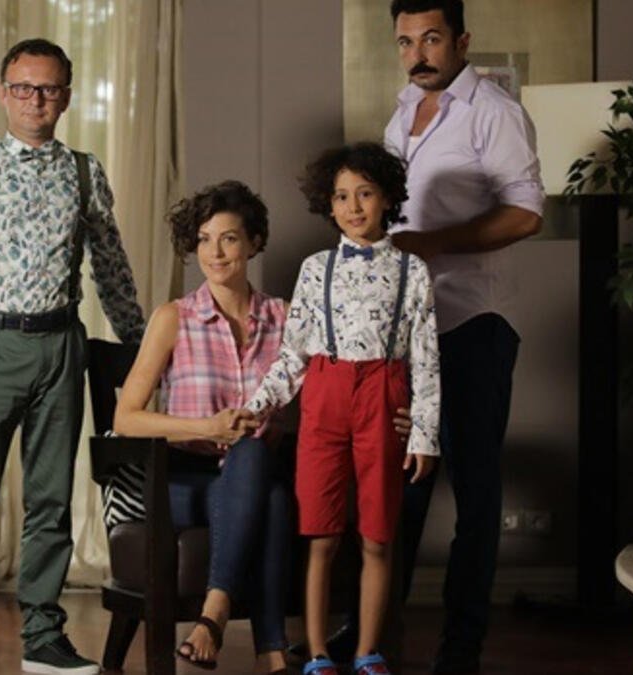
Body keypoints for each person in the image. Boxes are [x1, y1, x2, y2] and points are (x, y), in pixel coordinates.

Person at [0, 38, 146, 675]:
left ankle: (44, 637)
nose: (35, 100)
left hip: (60, 346)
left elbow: (110, 265)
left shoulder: (85, 171)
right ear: (4, 94)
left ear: (66, 97)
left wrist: (139, 347)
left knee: (51, 500)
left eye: (48, 89)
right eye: (23, 88)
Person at [385, 2, 545, 673]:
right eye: (405, 42)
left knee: (475, 493)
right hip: (408, 328)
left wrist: (433, 244)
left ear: (460, 40)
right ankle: (373, 637)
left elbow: (526, 213)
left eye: (431, 39)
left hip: (474, 322)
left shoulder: (493, 111)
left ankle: (461, 649)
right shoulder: (401, 113)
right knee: (403, 487)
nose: (418, 54)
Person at [245, 143, 440, 675]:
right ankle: (318, 654)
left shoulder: (413, 271)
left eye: (365, 194)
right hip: (325, 399)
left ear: (387, 198)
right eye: (341, 197)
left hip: (384, 393)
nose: (353, 207)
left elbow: (426, 358)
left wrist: (424, 433)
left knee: (377, 536)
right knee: (322, 535)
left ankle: (368, 652)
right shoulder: (316, 269)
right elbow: (293, 354)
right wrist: (259, 406)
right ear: (327, 205)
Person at [113, 180, 293, 675]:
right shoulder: (174, 318)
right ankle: (268, 649)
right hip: (180, 479)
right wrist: (207, 426)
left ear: (254, 242)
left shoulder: (284, 318)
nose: (214, 253)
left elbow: (321, 389)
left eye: (229, 238)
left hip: (255, 470)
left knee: (259, 464)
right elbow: (125, 418)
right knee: (271, 493)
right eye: (205, 239)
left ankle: (218, 619)